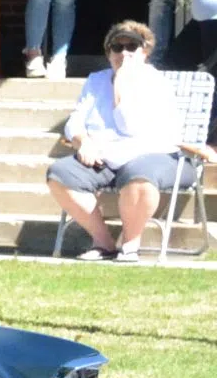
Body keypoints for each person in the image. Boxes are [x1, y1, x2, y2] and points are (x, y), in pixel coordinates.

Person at [45, 20, 210, 261]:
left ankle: (130, 245)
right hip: (103, 157)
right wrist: (83, 142)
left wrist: (120, 84)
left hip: (156, 156)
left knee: (139, 175)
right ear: (108, 53)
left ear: (145, 52)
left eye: (132, 46)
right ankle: (104, 243)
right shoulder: (96, 80)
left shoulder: (156, 83)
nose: (124, 53)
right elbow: (75, 122)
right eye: (117, 47)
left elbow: (129, 127)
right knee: (60, 174)